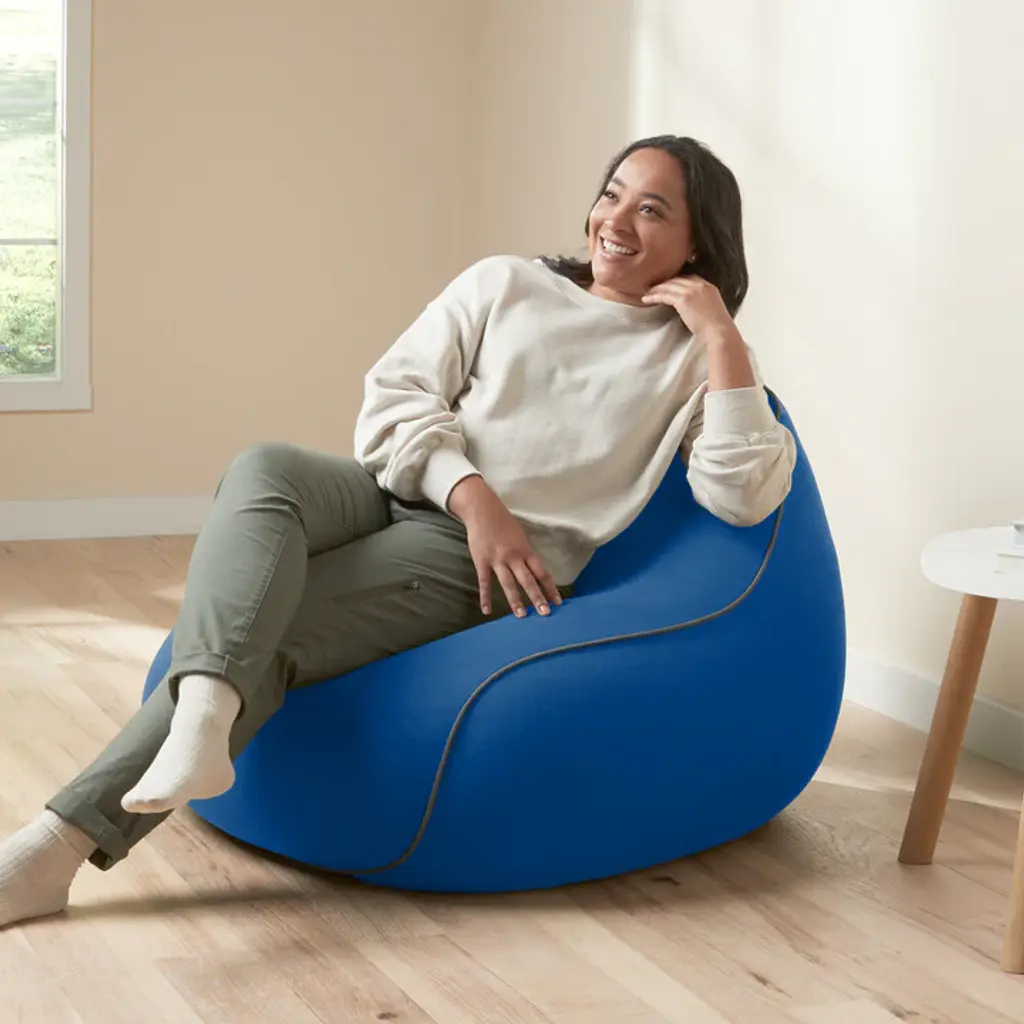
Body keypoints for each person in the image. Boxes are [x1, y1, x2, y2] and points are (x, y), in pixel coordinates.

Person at [0, 134, 796, 929]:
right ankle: (208, 712)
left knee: (277, 629)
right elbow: (394, 394)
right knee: (264, 467)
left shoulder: (691, 360)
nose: (615, 220)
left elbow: (741, 495)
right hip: (407, 491)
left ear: (698, 243)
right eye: (612, 193)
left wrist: (721, 338)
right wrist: (473, 495)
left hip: (476, 565)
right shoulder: (507, 282)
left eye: (651, 210)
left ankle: (54, 851)